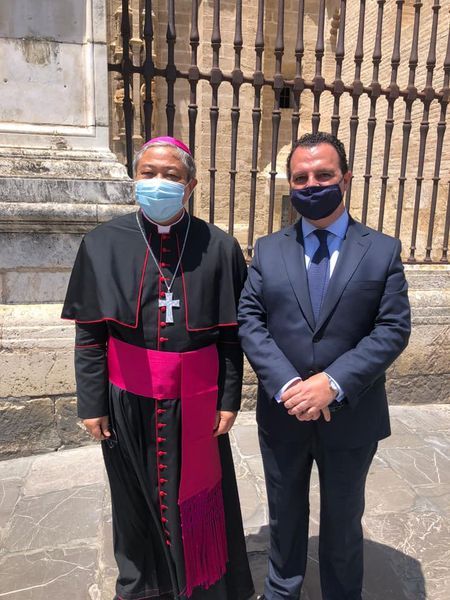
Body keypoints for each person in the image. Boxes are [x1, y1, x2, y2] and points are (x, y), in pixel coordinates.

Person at [62, 136, 254, 600]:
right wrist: (92, 404)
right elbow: (90, 335)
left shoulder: (220, 247)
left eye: (170, 175)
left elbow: (231, 336)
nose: (158, 182)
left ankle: (206, 583)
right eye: (148, 173)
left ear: (190, 184)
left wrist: (230, 398)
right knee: (132, 498)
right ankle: (143, 585)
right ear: (135, 178)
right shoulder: (102, 243)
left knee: (201, 495)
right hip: (128, 396)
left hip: (199, 398)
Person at [238, 132, 411, 600]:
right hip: (283, 412)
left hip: (351, 417)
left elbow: (392, 329)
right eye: (300, 178)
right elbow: (249, 320)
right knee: (284, 515)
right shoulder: (268, 249)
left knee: (342, 518)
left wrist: (333, 383)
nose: (311, 185)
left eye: (323, 175)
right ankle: (282, 590)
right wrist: (290, 384)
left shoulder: (381, 250)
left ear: (345, 178)